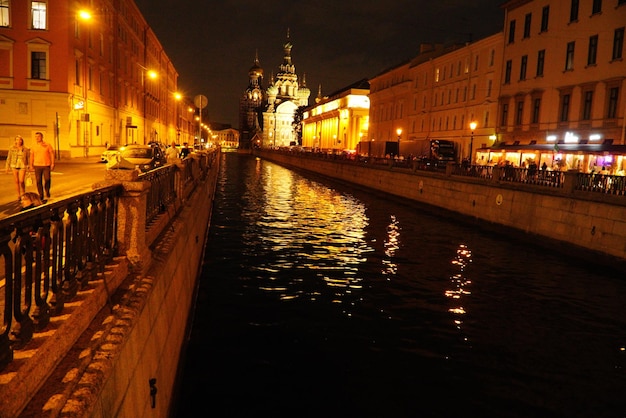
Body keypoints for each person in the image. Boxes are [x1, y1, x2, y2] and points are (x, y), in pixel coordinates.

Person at [29, 132, 55, 200]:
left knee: (47, 179)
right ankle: (41, 194)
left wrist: (52, 163)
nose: (37, 138)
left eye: (38, 136)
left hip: (46, 165)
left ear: (42, 137)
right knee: (38, 181)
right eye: (36, 137)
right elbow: (31, 156)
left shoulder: (47, 145)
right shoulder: (33, 146)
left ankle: (47, 190)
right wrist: (31, 165)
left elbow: (52, 154)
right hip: (37, 165)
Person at [5, 135, 30, 201]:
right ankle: (18, 195)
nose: (18, 141)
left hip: (22, 165)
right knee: (16, 181)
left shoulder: (25, 149)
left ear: (22, 141)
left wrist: (28, 165)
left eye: (20, 140)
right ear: (15, 141)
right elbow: (9, 157)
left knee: (21, 181)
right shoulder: (12, 148)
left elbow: (28, 158)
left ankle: (23, 193)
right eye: (17, 139)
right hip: (14, 165)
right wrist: (7, 167)